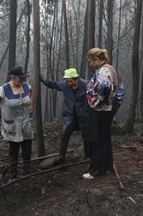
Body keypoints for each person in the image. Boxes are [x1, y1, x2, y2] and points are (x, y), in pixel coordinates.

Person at [83, 48, 125, 179]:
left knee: (97, 140)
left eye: (91, 61)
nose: (90, 64)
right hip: (108, 110)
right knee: (105, 138)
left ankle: (96, 171)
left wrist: (98, 100)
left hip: (101, 111)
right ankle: (107, 165)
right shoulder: (111, 69)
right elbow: (120, 90)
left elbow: (105, 86)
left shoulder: (103, 71)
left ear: (96, 60)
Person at [0, 66, 34, 179]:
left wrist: (31, 104)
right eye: (20, 78)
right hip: (12, 124)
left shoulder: (26, 86)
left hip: (26, 123)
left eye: (23, 78)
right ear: (13, 77)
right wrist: (1, 110)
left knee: (27, 147)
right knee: (14, 149)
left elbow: (32, 92)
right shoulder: (4, 89)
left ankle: (28, 170)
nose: (22, 80)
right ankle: (14, 173)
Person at [40, 68, 90, 162]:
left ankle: (87, 156)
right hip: (70, 116)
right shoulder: (65, 85)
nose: (69, 83)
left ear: (76, 79)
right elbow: (53, 85)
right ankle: (61, 156)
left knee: (86, 136)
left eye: (70, 81)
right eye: (67, 81)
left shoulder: (86, 85)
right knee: (65, 133)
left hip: (84, 116)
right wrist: (43, 81)